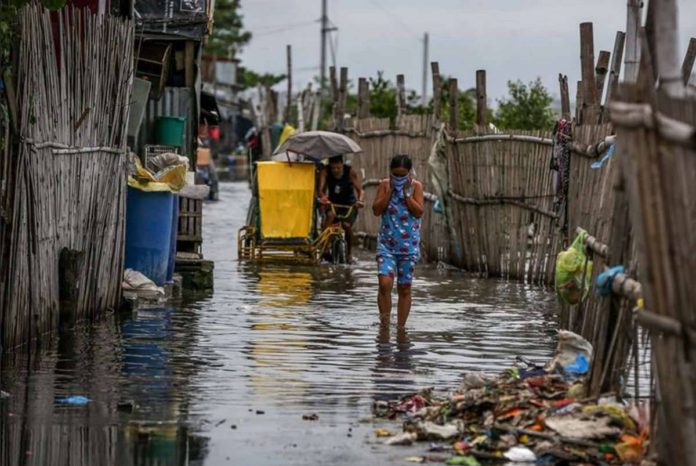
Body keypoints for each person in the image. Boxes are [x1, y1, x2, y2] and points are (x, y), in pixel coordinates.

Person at [372, 154, 424, 328]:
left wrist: (407, 195)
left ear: (409, 173)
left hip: (408, 246)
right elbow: (376, 210)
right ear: (390, 172)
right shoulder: (385, 185)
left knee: (404, 287)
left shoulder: (416, 187)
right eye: (396, 174)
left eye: (403, 175)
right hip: (386, 244)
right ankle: (385, 324)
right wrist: (391, 191)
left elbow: (419, 212)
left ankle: (401, 328)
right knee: (384, 283)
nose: (399, 178)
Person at [319, 155, 365, 260]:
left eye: (338, 168)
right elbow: (321, 190)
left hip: (349, 204)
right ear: (329, 166)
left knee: (346, 225)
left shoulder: (350, 172)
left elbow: (360, 191)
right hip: (332, 203)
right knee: (330, 216)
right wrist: (323, 197)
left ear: (342, 165)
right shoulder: (325, 171)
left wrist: (360, 201)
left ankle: (349, 253)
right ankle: (325, 246)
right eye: (333, 168)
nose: (336, 170)